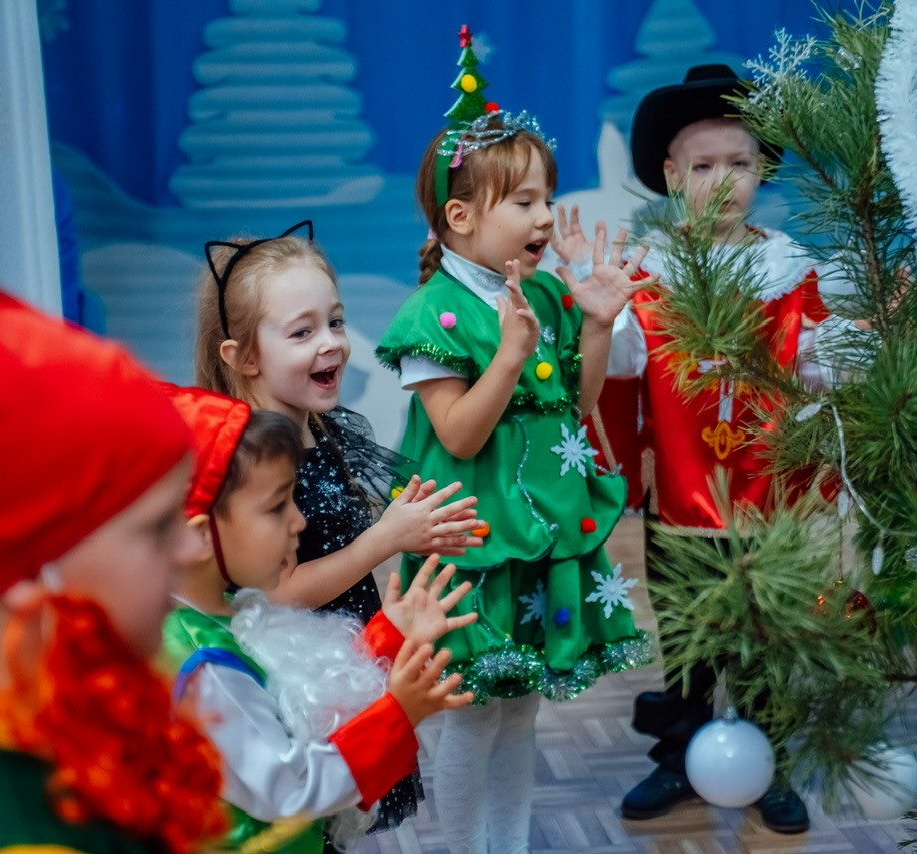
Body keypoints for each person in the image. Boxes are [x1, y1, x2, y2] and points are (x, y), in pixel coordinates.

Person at [373, 27, 652, 854]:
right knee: (470, 713)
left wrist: (596, 324)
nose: (544, 217)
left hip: (535, 538)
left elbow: (579, 402)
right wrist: (506, 357)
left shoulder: (547, 298)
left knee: (520, 708)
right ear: (460, 217)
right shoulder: (434, 316)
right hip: (468, 538)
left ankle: (513, 843)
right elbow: (458, 434)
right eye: (523, 202)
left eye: (545, 197)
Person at [562, 64, 839, 833]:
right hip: (684, 506)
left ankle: (766, 760)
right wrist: (599, 313)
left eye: (740, 164)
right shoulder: (646, 278)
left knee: (763, 641)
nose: (724, 181)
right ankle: (681, 759)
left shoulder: (791, 274)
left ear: (763, 171)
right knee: (688, 641)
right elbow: (614, 374)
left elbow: (820, 373)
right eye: (704, 165)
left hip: (767, 506)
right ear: (671, 175)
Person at [0, 256, 225, 853]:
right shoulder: (12, 824)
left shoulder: (39, 725)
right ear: (31, 569)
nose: (192, 544)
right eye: (157, 527)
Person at [194, 222, 483, 829]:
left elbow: (351, 523)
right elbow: (277, 590)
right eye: (302, 332)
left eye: (336, 321)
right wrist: (387, 539)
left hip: (347, 656)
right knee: (314, 812)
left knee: (343, 813)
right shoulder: (252, 467)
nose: (332, 343)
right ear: (244, 357)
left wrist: (416, 523)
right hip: (293, 678)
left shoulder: (325, 428)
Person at [160, 384, 476, 853]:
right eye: (276, 506)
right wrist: (397, 717)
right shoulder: (205, 667)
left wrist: (386, 637)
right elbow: (291, 788)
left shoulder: (235, 608)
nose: (299, 522)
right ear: (202, 537)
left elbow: (302, 702)